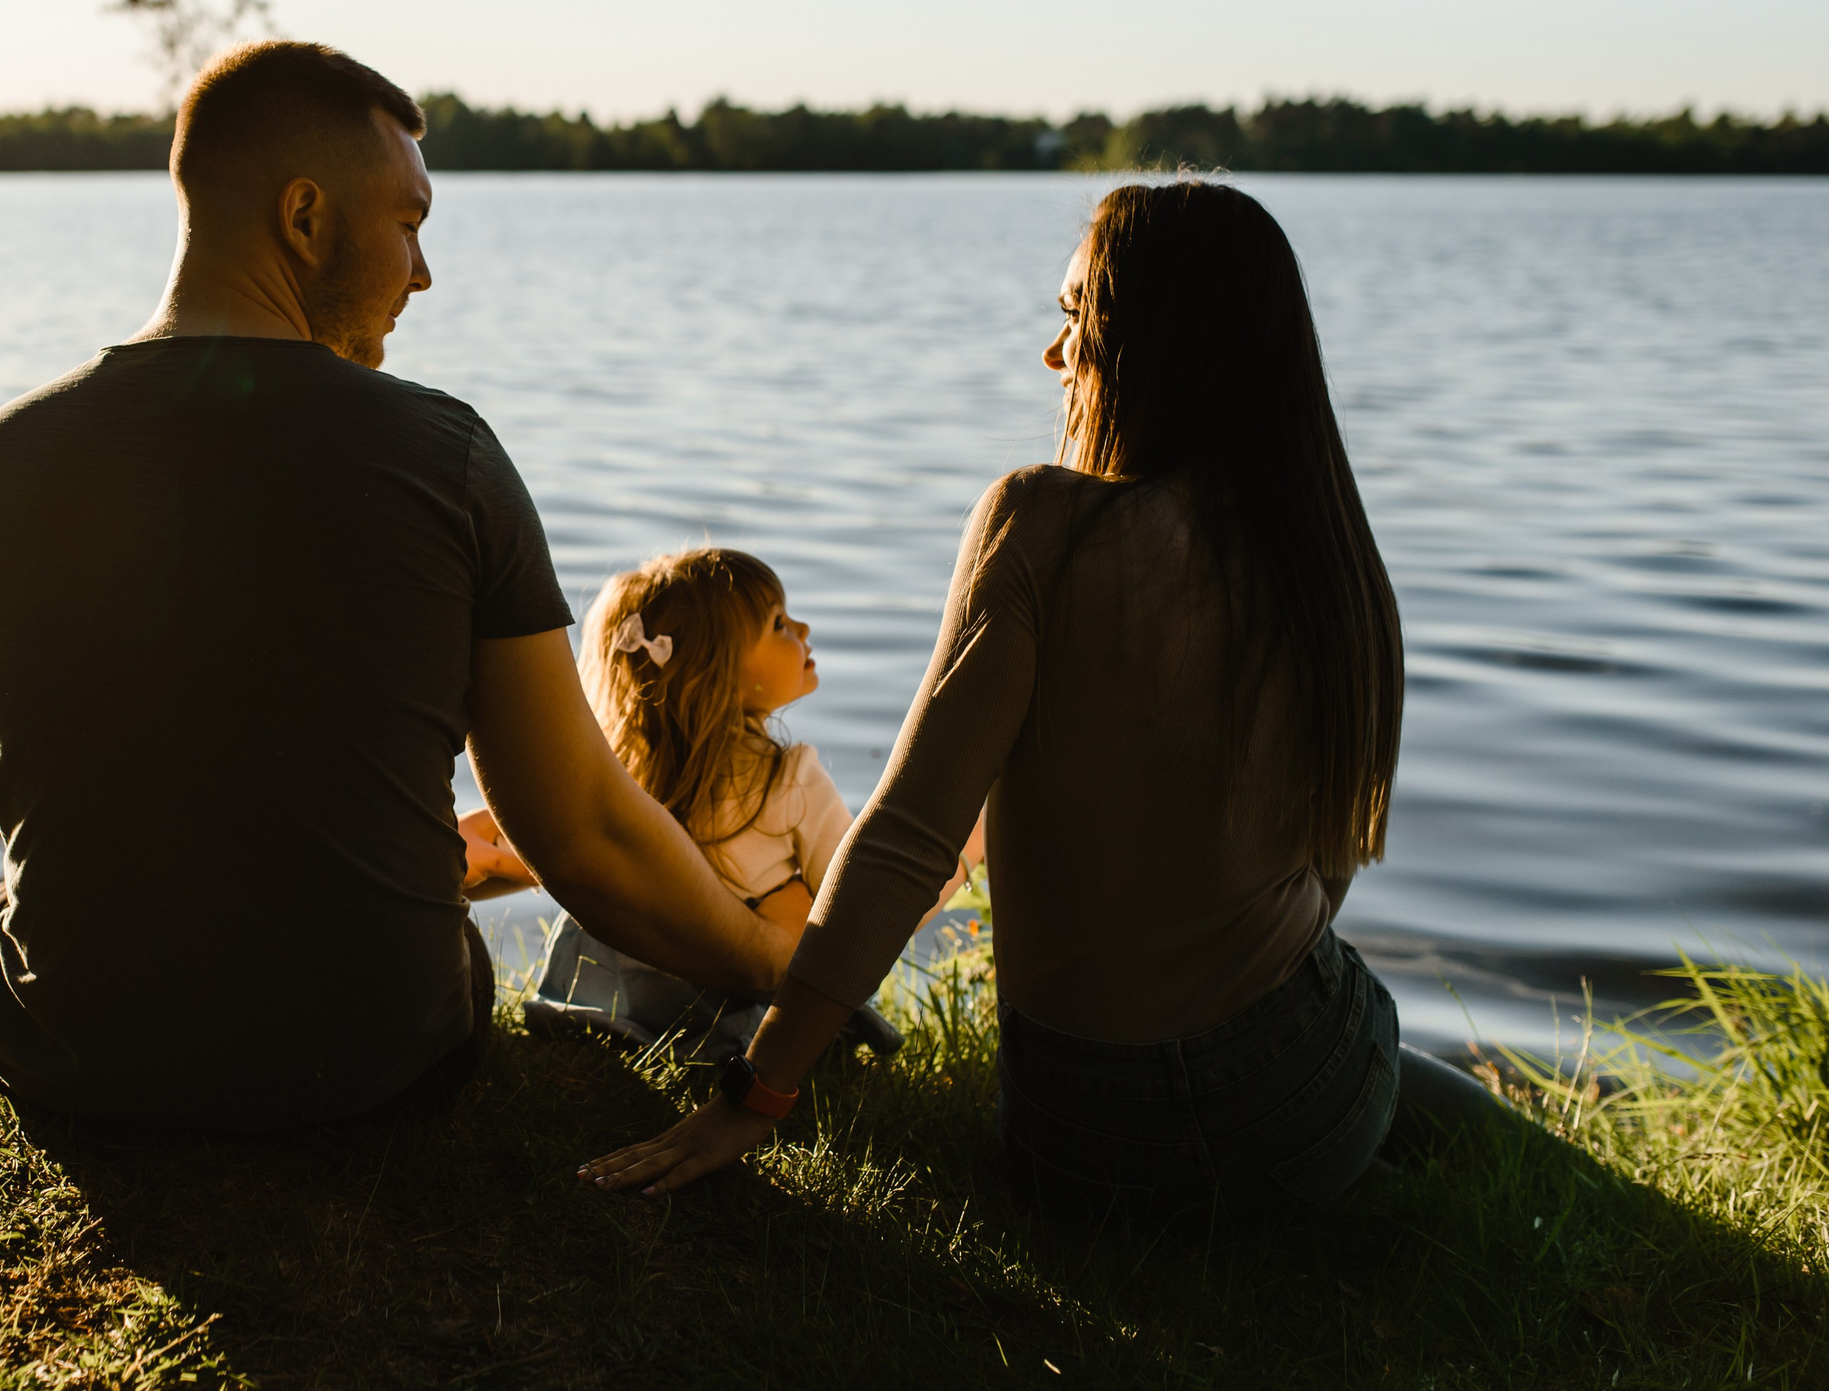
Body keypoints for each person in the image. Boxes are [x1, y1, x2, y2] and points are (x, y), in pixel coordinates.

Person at [583, 180, 1505, 1214]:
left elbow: (906, 833)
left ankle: (1446, 1184)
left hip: (1080, 1132)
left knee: (1349, 1075)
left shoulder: (1039, 524)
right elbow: (1327, 869)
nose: (1052, 356)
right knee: (1357, 1032)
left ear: (1158, 345)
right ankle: (1503, 1179)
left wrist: (759, 1091)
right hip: (1289, 1091)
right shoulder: (1326, 559)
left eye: (1076, 320)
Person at [0, 40, 784, 1135]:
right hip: (379, 1064)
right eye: (410, 223)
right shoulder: (443, 454)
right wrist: (775, 964)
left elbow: (98, 782)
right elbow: (582, 834)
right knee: (437, 941)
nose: (423, 272)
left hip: (80, 1066)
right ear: (306, 217)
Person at [476, 549, 967, 1055]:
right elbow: (858, 904)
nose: (802, 627)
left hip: (617, 1005)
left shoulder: (619, 773)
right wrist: (968, 848)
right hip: (727, 1017)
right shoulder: (788, 780)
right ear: (717, 668)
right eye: (778, 622)